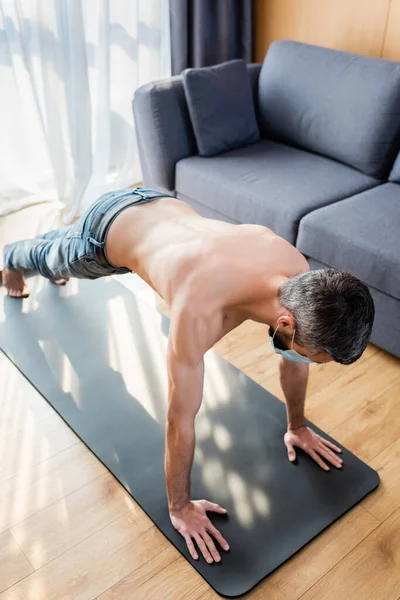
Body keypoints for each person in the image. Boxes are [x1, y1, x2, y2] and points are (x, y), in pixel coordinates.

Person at [1, 187, 375, 564]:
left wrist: (298, 426)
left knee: (61, 244)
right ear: (285, 323)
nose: (303, 359)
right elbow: (180, 421)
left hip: (156, 205)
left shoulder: (297, 276)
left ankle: (55, 239)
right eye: (310, 354)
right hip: (107, 230)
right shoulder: (199, 312)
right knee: (51, 259)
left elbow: (293, 359)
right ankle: (10, 256)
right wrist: (179, 507)